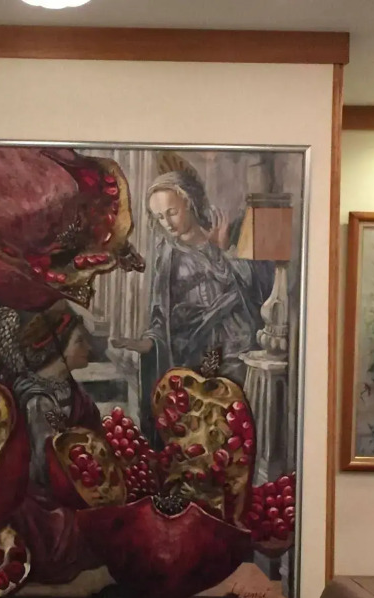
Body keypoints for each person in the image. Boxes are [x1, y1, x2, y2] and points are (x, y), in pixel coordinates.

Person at [111, 169, 273, 433]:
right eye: (159, 217)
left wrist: (221, 251)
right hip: (191, 356)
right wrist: (148, 342)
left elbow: (253, 291)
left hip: (235, 351)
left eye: (172, 212)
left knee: (236, 428)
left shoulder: (225, 240)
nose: (167, 223)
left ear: (188, 203)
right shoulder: (167, 257)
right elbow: (162, 315)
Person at [7, 303, 104, 585]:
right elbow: (41, 471)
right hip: (39, 498)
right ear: (58, 348)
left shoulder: (69, 388)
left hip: (76, 483)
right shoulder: (37, 400)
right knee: (71, 534)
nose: (88, 348)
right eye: (80, 341)